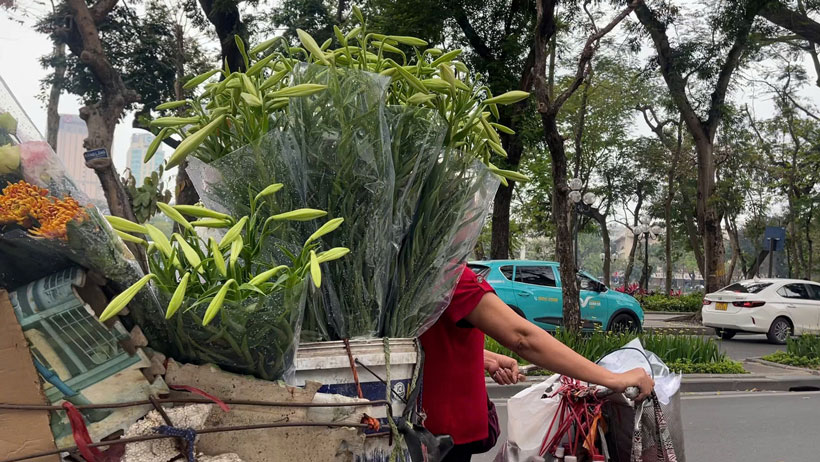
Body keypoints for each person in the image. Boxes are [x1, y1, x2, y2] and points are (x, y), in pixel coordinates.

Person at [420, 266, 654, 462]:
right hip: (445, 435)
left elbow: (422, 343)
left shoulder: (416, 269)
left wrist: (486, 358)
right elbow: (523, 338)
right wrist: (614, 379)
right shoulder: (450, 275)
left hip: (423, 428)